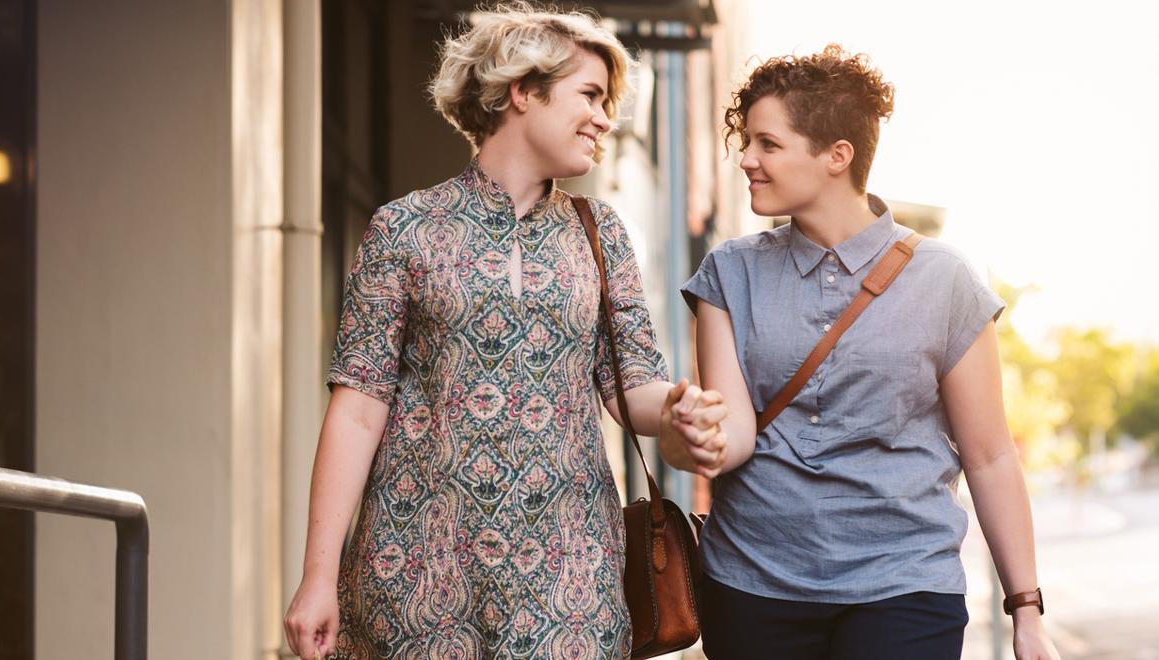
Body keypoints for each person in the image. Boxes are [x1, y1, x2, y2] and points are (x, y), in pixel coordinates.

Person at [282, 5, 727, 659]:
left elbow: (629, 385)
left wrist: (675, 407)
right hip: (417, 577)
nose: (606, 117)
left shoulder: (599, 233)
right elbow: (357, 408)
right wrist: (318, 576)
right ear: (523, 89)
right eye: (590, 95)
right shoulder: (401, 230)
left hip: (570, 581)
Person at [661, 45, 1061, 659]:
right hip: (753, 585)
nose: (746, 159)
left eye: (768, 144)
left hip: (903, 585)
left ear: (835, 157)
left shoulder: (944, 280)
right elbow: (734, 434)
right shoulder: (728, 273)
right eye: (747, 143)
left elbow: (989, 456)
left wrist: (1025, 610)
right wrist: (697, 431)